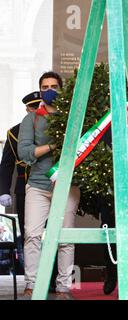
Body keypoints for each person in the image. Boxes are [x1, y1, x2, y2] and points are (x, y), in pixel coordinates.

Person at [18, 71, 80, 300]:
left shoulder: (73, 117)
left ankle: (64, 288)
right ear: (40, 89)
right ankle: (31, 285)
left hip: (67, 185)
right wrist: (52, 146)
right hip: (38, 184)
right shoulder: (31, 119)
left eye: (54, 86)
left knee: (66, 237)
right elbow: (25, 153)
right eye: (45, 87)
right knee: (32, 235)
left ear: (62, 90)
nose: (50, 90)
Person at [0, 91, 41, 274]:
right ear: (27, 109)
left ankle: (52, 275)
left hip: (50, 184)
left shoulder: (53, 127)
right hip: (24, 187)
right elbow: (6, 164)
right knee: (29, 233)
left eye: (38, 106)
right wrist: (4, 190)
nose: (35, 110)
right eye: (32, 107)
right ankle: (32, 275)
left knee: (52, 232)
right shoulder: (14, 132)